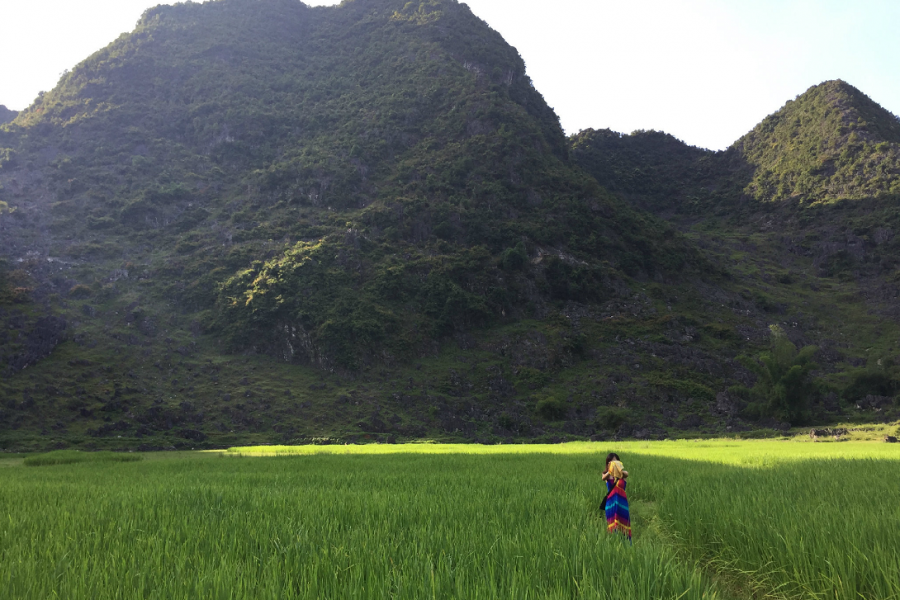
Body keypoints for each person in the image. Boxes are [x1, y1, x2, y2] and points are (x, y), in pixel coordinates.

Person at [602, 452, 632, 541]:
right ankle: (613, 545)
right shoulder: (606, 475)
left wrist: (618, 469)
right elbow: (603, 478)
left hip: (622, 503)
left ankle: (626, 546)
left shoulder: (623, 474)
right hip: (610, 503)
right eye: (612, 461)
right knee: (612, 526)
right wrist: (610, 471)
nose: (614, 463)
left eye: (616, 461)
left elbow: (626, 474)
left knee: (624, 525)